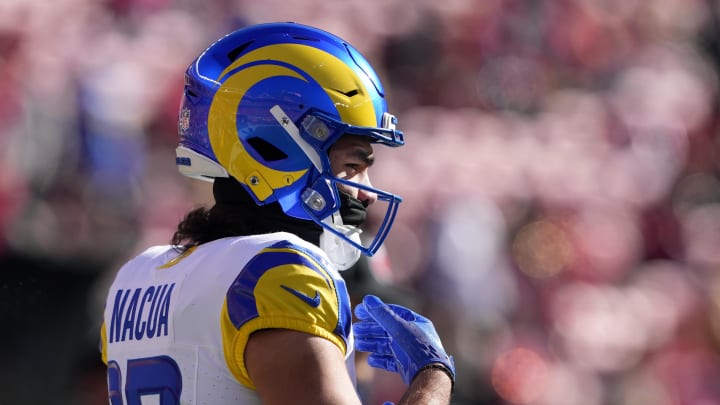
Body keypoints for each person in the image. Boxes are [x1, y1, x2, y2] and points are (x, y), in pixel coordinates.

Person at [100, 22, 455, 404]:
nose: (365, 194)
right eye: (353, 165)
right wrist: (433, 377)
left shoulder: (138, 275)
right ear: (278, 149)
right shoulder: (281, 271)